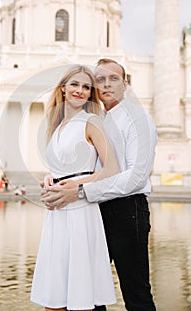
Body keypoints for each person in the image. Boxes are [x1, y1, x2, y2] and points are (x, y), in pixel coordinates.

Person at [41, 59, 158, 311]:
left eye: (113, 78)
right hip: (92, 211)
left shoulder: (138, 120)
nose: (106, 84)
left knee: (136, 292)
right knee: (89, 292)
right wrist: (58, 180)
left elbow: (135, 177)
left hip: (128, 211)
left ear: (124, 84)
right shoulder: (94, 118)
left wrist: (81, 190)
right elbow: (87, 164)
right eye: (100, 80)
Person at [30, 64, 120, 310]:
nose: (80, 90)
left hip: (81, 210)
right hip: (56, 213)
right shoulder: (56, 125)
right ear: (63, 88)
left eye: (86, 87)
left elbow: (112, 169)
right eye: (75, 84)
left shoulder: (91, 122)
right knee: (53, 298)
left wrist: (74, 185)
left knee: (80, 299)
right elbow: (63, 166)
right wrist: (50, 178)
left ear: (91, 94)